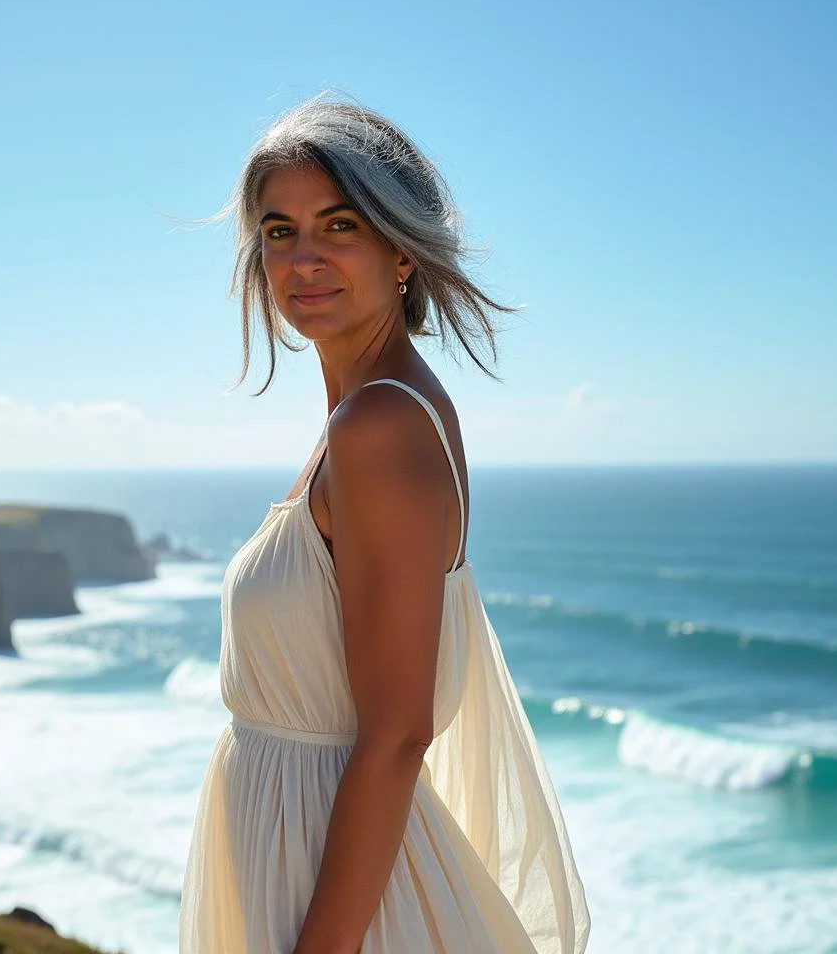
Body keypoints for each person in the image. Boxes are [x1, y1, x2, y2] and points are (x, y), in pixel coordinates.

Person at [178, 96, 591, 954]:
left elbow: (399, 733)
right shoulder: (369, 419)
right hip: (304, 863)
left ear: (400, 249)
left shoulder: (379, 428)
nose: (306, 259)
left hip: (345, 905)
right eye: (279, 231)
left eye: (339, 225)